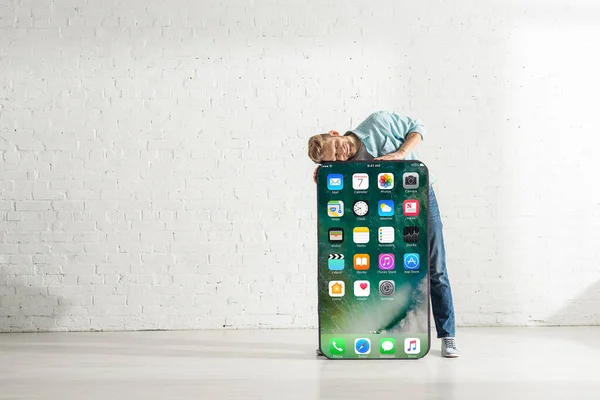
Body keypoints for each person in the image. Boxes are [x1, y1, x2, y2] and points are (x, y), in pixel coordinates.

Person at [307, 110, 460, 358]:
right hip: (385, 213)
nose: (340, 154)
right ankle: (341, 340)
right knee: (374, 271)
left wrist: (401, 153)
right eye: (334, 158)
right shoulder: (345, 168)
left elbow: (417, 126)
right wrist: (325, 180)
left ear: (334, 133)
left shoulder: (377, 123)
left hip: (418, 198)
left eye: (336, 147)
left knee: (436, 267)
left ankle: (448, 336)